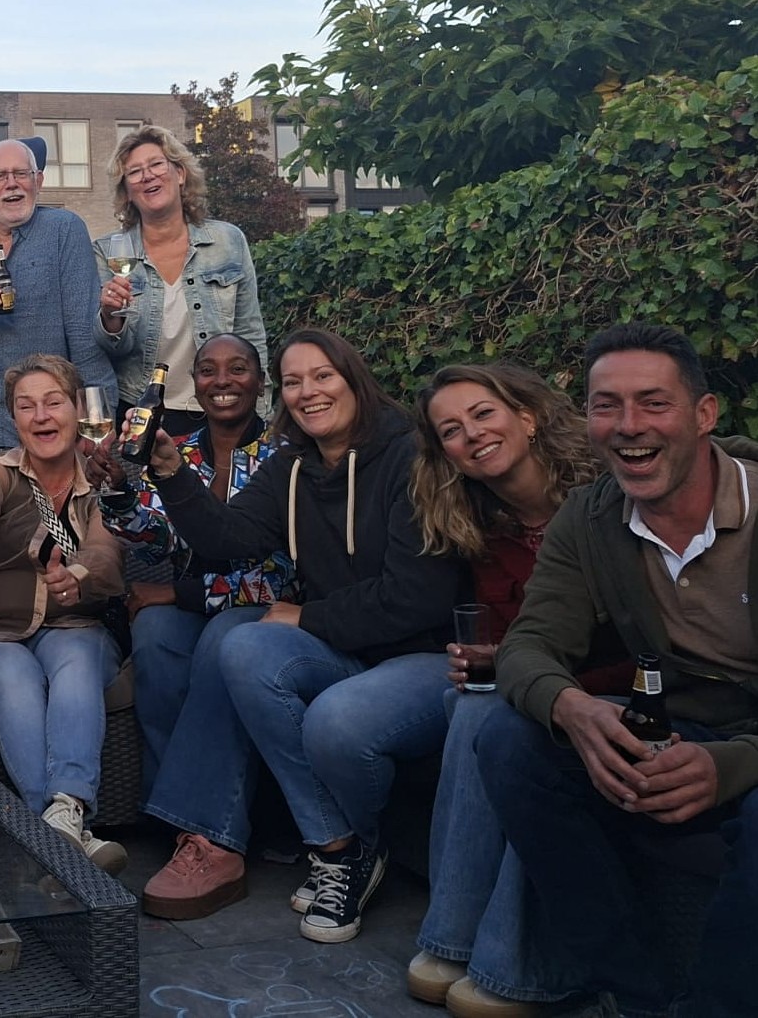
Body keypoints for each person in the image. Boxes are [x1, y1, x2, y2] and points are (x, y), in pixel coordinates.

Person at [136, 329, 462, 943]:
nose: (308, 392)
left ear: (353, 378)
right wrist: (174, 475)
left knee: (329, 713)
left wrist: (307, 618)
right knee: (242, 643)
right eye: (295, 381)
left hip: (423, 656)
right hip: (348, 648)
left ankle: (349, 848)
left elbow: (417, 597)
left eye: (322, 376)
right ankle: (336, 845)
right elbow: (229, 540)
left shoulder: (410, 457)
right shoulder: (294, 462)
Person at [477, 324, 758, 1018]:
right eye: (607, 405)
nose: (629, 426)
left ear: (703, 415)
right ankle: (634, 993)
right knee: (508, 742)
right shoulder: (591, 514)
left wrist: (733, 763)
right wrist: (574, 707)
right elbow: (528, 645)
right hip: (677, 731)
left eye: (653, 402)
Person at [404, 363, 623, 1015]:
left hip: (613, 687)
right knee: (473, 707)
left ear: (525, 416)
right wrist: (490, 661)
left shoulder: (606, 493)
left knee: (511, 723)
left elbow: (640, 633)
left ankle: (515, 966)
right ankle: (451, 938)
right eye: (451, 430)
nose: (471, 435)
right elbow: (510, 639)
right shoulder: (482, 524)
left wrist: (528, 671)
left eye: (482, 414)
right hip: (533, 682)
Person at [0, 353, 128, 874]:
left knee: (75, 666)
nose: (41, 416)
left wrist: (80, 574)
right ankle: (69, 833)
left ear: (77, 409)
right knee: (18, 684)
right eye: (26, 407)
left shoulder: (101, 479)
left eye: (53, 403)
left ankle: (62, 814)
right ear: (13, 419)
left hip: (77, 623)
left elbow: (108, 552)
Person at [106, 334, 296, 817]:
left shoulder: (286, 456)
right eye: (209, 370)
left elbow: (283, 573)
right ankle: (166, 811)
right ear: (195, 383)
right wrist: (118, 490)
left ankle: (211, 817)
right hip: (189, 602)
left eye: (238, 369)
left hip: (261, 605)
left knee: (221, 641)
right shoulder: (176, 450)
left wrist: (178, 592)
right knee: (152, 633)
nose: (223, 381)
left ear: (260, 382)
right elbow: (158, 537)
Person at [0, 139, 115, 452]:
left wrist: (97, 414)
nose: (12, 184)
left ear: (39, 181)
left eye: (22, 174)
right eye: (0, 176)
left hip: (46, 431)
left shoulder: (64, 231)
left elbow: (84, 334)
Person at [95, 126, 266, 437]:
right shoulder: (108, 252)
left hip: (222, 405)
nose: (148, 176)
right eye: (134, 172)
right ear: (127, 192)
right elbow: (113, 351)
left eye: (157, 164)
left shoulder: (228, 240)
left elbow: (249, 332)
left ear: (180, 174)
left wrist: (262, 412)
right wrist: (110, 317)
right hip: (142, 411)